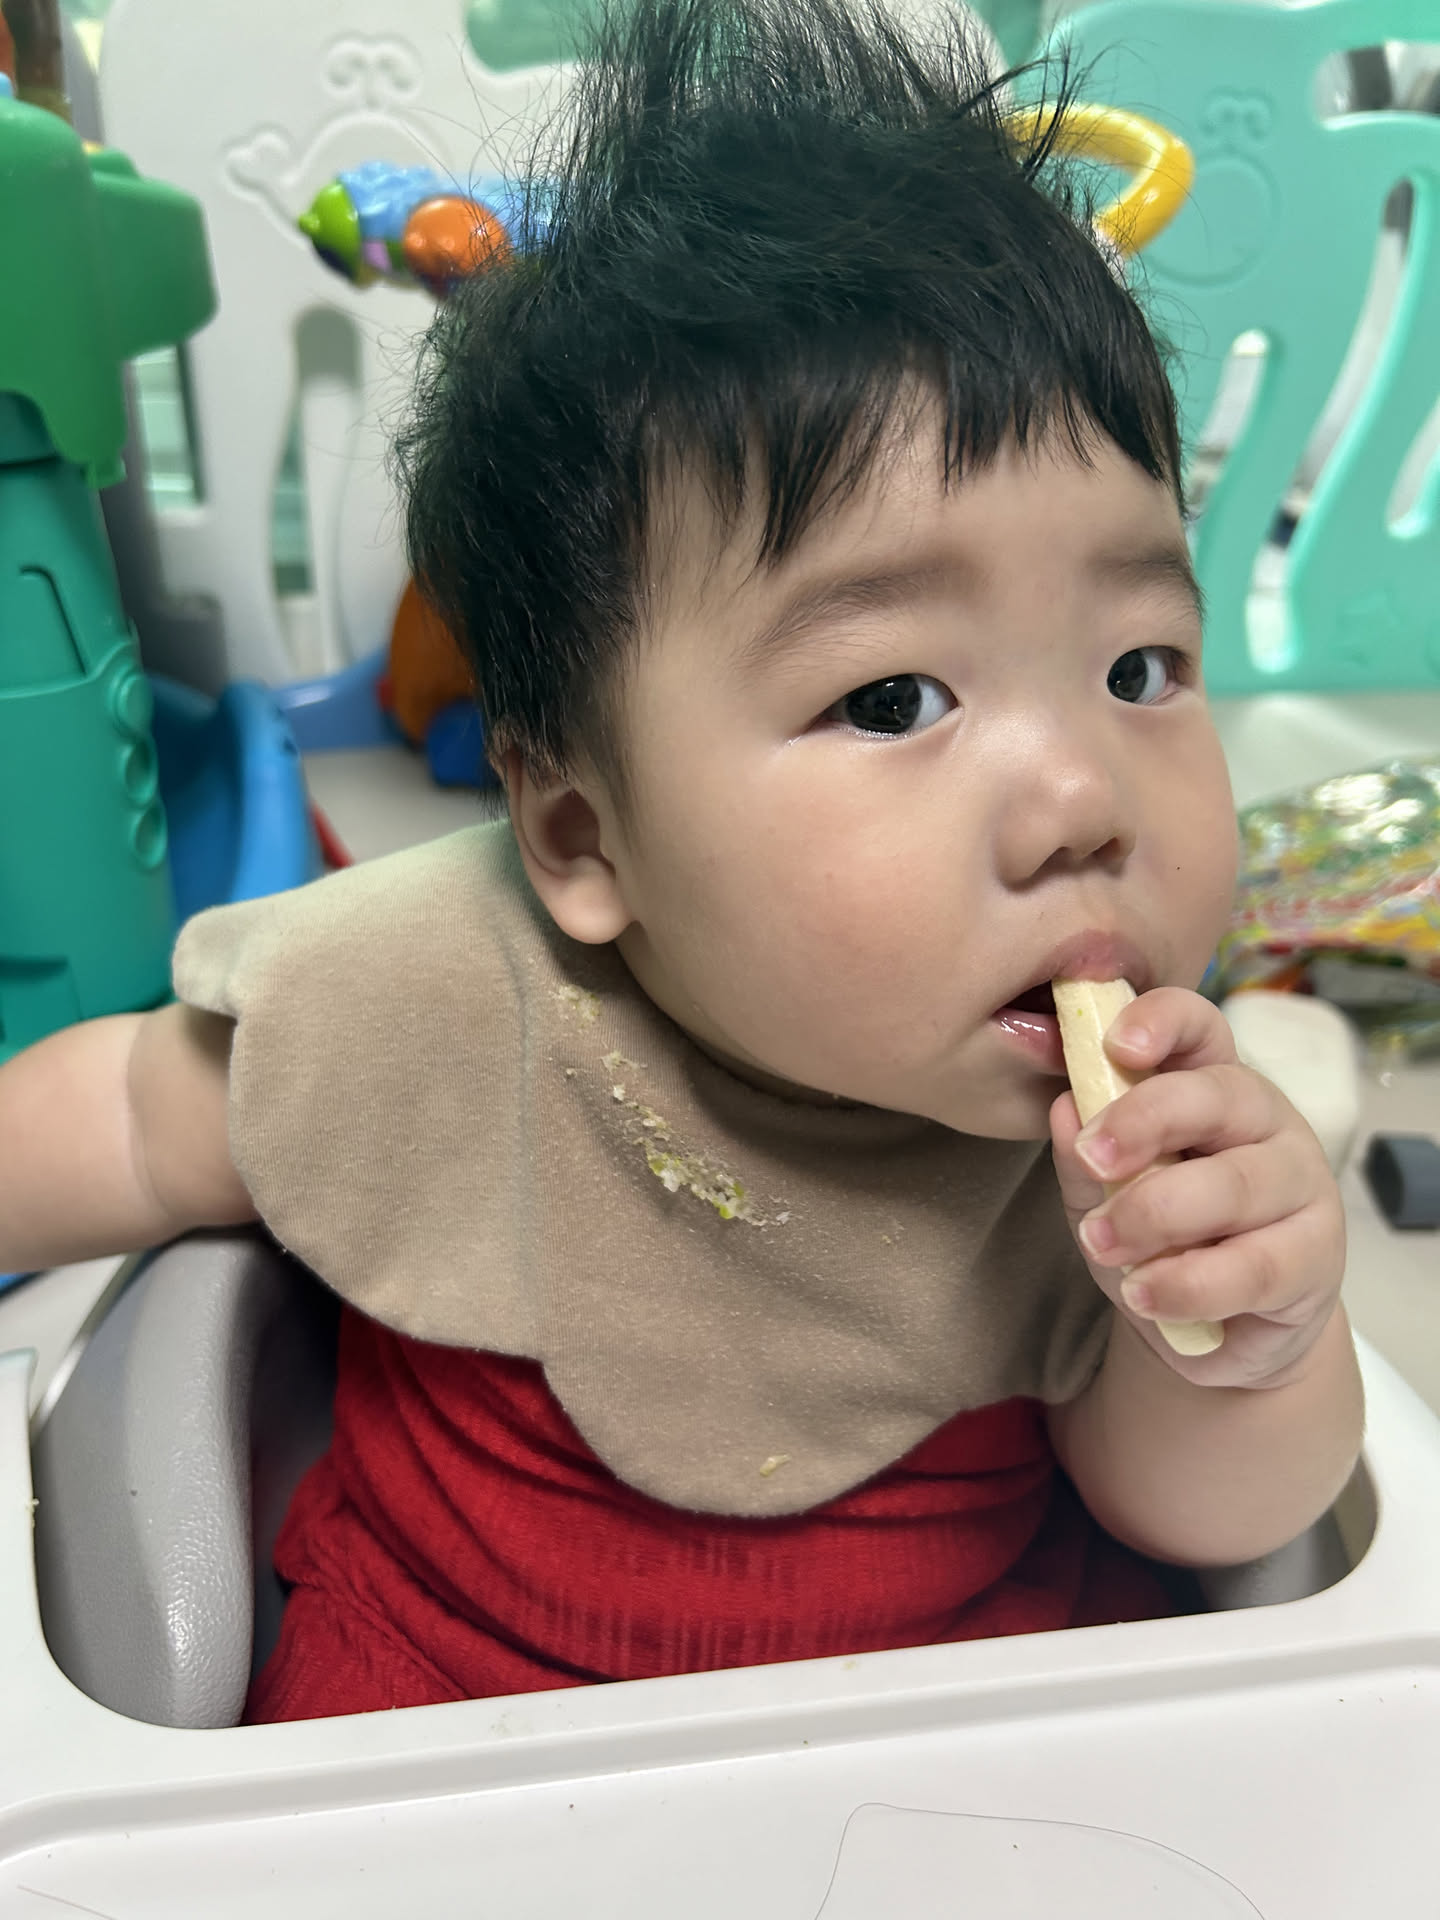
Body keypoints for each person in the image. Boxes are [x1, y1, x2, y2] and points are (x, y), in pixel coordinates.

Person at [0, 0, 1361, 1724]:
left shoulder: (1134, 1143)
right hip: (446, 1707)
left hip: (963, 1720)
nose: (1086, 800)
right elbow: (133, 1121)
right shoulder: (434, 995)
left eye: (1141, 667)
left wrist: (1250, 1346)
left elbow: (1195, 1527)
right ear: (582, 834)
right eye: (893, 698)